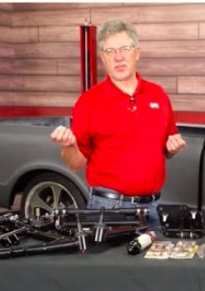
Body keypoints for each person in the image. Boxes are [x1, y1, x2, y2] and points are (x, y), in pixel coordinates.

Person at [50, 19, 186, 229]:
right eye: (110, 50)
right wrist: (68, 146)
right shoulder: (89, 102)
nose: (118, 57)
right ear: (102, 57)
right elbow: (75, 164)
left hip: (153, 208)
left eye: (124, 49)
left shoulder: (158, 95)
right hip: (108, 209)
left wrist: (172, 149)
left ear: (137, 53)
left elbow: (166, 149)